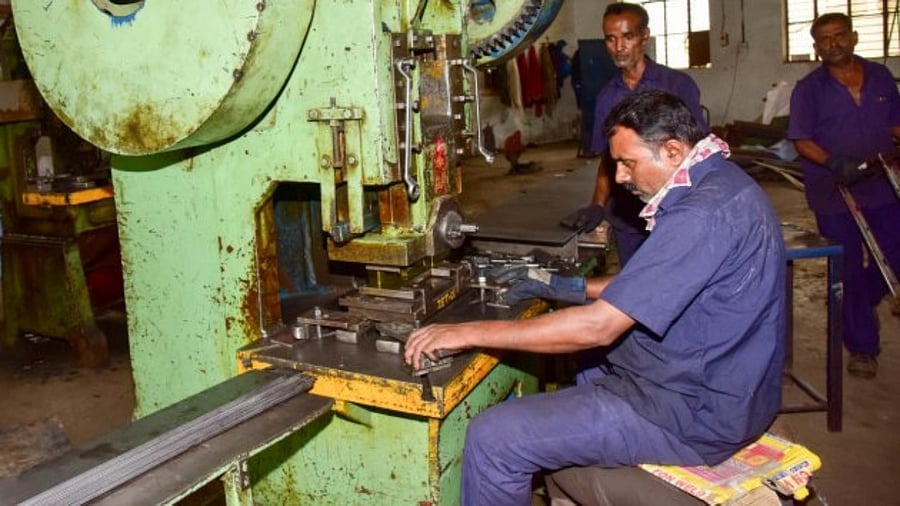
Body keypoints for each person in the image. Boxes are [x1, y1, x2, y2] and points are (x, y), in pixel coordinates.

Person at [405, 90, 786, 505]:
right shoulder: (720, 182)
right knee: (591, 368)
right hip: (730, 390)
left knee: (495, 438)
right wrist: (564, 286)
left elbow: (600, 327)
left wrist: (464, 332)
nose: (620, 177)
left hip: (692, 415)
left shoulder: (700, 216)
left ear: (673, 151)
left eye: (628, 163)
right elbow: (655, 280)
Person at [787, 12, 900, 379]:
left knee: (895, 256)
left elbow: (894, 122)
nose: (832, 44)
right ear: (816, 47)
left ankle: (857, 306)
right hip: (834, 189)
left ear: (852, 38)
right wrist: (834, 161)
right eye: (824, 39)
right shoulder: (809, 89)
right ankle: (863, 347)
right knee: (848, 266)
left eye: (839, 36)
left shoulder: (880, 76)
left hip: (881, 182)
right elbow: (801, 139)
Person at [561, 2, 708, 268]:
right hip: (628, 218)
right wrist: (598, 205)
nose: (619, 47)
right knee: (634, 288)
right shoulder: (607, 96)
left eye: (628, 37)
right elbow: (609, 159)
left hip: (674, 213)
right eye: (611, 39)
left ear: (644, 36)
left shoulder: (677, 86)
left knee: (675, 284)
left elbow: (699, 154)